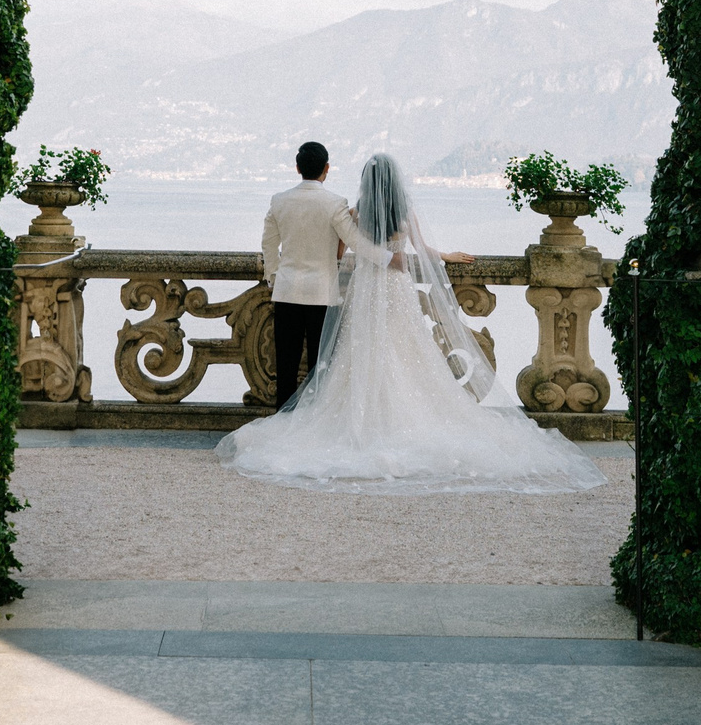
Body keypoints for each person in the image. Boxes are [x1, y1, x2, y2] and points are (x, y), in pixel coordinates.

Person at [220, 151, 607, 495]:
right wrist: (445, 256)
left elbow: (341, 250)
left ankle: (338, 417)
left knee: (357, 351)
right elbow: (421, 250)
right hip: (396, 288)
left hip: (363, 288)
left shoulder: (353, 213)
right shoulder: (402, 215)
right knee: (407, 351)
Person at [258, 140, 364, 408]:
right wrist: (387, 257)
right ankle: (315, 418)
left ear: (298, 168)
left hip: (287, 292)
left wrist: (274, 277)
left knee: (286, 366)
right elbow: (356, 241)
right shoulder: (335, 203)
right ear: (326, 168)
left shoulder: (279, 201)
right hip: (322, 295)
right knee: (321, 367)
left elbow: (269, 245)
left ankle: (283, 418)